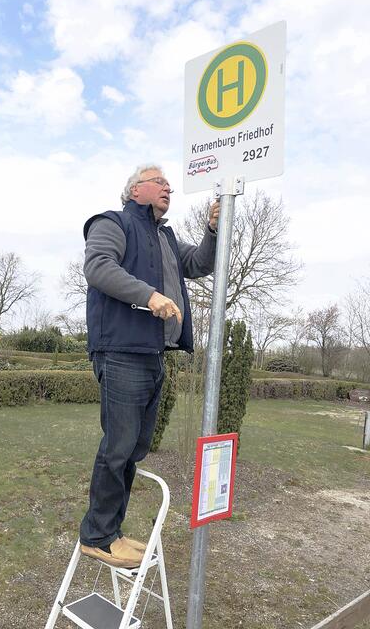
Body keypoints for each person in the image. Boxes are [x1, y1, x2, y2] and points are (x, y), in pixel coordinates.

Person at [79, 163, 219, 568]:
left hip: (152, 354)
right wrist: (149, 296)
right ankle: (99, 536)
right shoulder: (112, 222)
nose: (169, 187)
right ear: (134, 190)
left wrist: (212, 231)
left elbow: (201, 265)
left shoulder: (165, 238)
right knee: (119, 445)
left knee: (134, 448)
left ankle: (112, 531)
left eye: (168, 184)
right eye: (159, 182)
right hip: (121, 350)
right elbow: (99, 267)